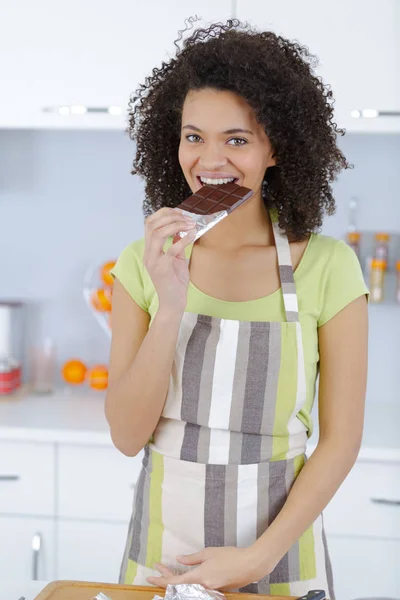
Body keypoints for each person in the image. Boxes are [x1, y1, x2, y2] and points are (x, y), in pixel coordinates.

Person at [106, 19, 368, 598]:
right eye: (193, 136)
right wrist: (169, 303)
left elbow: (341, 440)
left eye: (238, 139)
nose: (210, 160)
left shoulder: (327, 266)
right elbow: (127, 436)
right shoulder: (141, 262)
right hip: (162, 561)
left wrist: (255, 558)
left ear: (277, 148)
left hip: (278, 558)